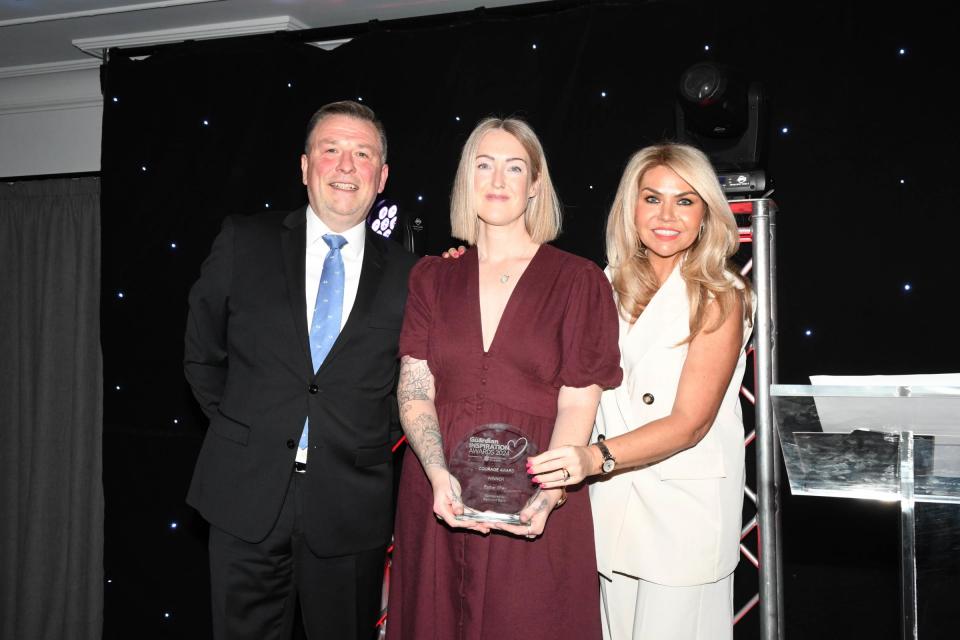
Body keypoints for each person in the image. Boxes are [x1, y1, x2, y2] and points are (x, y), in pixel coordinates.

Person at [184, 100, 416, 640]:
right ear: (305, 166)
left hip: (349, 507)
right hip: (243, 496)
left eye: (362, 154)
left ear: (381, 177)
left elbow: (410, 388)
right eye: (330, 149)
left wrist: (356, 438)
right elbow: (202, 354)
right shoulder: (244, 241)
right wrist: (250, 427)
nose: (345, 165)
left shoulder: (414, 275)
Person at [385, 117, 622, 640]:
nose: (497, 180)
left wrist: (549, 494)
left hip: (537, 496)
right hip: (437, 496)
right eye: (483, 165)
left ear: (535, 184)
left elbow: (579, 403)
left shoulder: (579, 280)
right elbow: (415, 390)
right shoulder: (432, 275)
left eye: (514, 167)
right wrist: (437, 473)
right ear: (465, 179)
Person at [528, 143, 755, 640]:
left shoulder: (722, 295)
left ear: (706, 215)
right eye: (652, 199)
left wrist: (593, 460)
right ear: (630, 208)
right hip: (613, 512)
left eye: (685, 200)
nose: (667, 216)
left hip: (683, 515)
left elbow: (689, 422)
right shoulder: (602, 284)